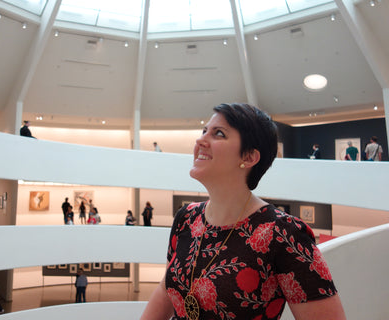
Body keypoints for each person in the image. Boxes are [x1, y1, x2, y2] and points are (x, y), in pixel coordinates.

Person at [140, 103, 346, 320]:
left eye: (218, 133)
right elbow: (167, 289)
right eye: (204, 131)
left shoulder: (284, 234)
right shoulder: (186, 218)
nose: (201, 140)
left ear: (248, 158)